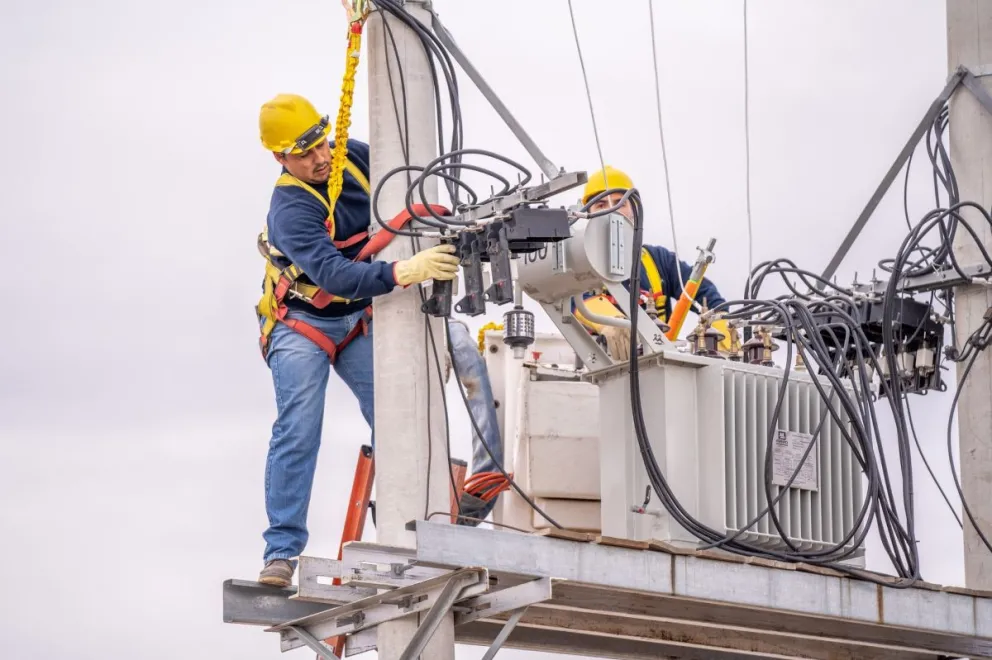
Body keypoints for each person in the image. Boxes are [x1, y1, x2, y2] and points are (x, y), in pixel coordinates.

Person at [254, 93, 461, 587]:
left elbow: (411, 195)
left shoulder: (358, 160)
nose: (321, 157)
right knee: (299, 429)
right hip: (302, 324)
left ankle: (417, 526)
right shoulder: (290, 209)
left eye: (321, 143)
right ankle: (281, 551)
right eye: (304, 153)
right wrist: (404, 270)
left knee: (400, 418)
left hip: (356, 320)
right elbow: (334, 276)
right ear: (281, 158)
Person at [574, 165, 736, 359]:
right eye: (601, 205)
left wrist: (721, 327)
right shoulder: (579, 261)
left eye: (620, 202)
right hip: (600, 368)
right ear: (587, 214)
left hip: (659, 367)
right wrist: (609, 323)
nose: (612, 211)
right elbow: (572, 299)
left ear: (635, 208)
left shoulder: (658, 261)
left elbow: (707, 297)